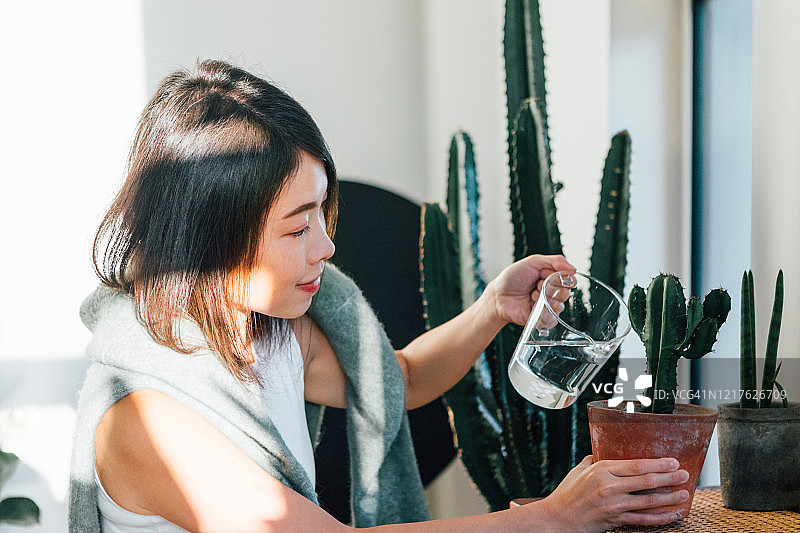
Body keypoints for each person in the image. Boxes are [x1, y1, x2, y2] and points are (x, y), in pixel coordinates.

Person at [69, 59, 690, 533]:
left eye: (322, 214)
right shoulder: (146, 417)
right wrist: (551, 517)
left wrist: (494, 306)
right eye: (296, 226)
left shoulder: (269, 336)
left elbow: (401, 380)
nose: (326, 247)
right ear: (212, 237)